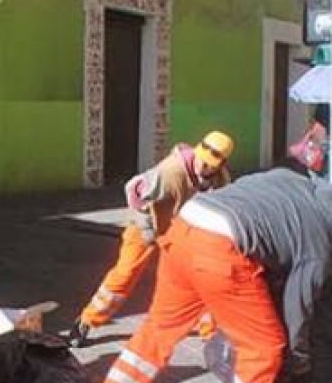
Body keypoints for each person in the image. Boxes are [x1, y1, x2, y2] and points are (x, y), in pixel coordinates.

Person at [87, 167, 332, 383]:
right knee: (263, 347)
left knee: (157, 330)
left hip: (184, 227)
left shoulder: (291, 178)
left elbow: (251, 189)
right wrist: (298, 357)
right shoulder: (318, 237)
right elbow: (298, 304)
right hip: (221, 251)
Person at [67, 131, 235, 348]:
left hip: (179, 231)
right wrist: (147, 227)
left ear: (221, 164)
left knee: (203, 276)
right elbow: (133, 189)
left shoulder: (221, 180)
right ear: (198, 150)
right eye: (203, 160)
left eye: (212, 164)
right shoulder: (170, 171)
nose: (205, 167)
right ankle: (86, 321)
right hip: (146, 227)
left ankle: (210, 334)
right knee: (125, 273)